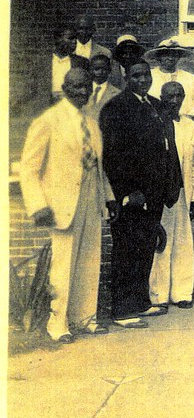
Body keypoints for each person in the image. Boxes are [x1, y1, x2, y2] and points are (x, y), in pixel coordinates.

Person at [21, 68, 113, 342]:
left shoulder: (91, 121)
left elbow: (99, 165)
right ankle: (57, 324)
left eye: (86, 87)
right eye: (76, 87)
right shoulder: (48, 120)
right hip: (61, 203)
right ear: (64, 87)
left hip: (90, 197)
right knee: (62, 265)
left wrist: (108, 197)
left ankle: (84, 318)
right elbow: (29, 167)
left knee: (89, 260)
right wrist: (38, 204)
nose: (82, 92)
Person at [99, 58, 181, 328]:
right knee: (127, 250)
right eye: (136, 76)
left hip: (154, 193)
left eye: (145, 75)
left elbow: (167, 149)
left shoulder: (156, 106)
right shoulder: (116, 108)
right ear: (126, 78)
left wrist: (170, 186)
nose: (142, 80)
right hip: (133, 195)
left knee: (146, 247)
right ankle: (122, 311)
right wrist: (129, 191)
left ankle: (140, 302)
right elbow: (113, 155)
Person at [149, 82, 194, 310]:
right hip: (158, 195)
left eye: (179, 95)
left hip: (182, 192)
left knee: (182, 242)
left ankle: (182, 293)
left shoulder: (190, 126)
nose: (174, 100)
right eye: (169, 96)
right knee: (160, 243)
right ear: (161, 97)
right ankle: (158, 295)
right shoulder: (154, 124)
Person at [146, 39, 194, 118]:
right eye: (166, 54)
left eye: (174, 55)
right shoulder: (148, 77)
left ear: (179, 57)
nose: (170, 58)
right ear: (159, 57)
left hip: (184, 125)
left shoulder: (192, 79)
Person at [73, 16, 120, 87]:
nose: (84, 32)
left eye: (88, 29)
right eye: (81, 28)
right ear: (75, 30)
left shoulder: (105, 52)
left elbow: (114, 79)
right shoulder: (68, 51)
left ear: (93, 30)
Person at [51, 26, 86, 102]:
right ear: (58, 39)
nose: (75, 41)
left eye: (75, 39)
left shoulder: (82, 62)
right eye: (70, 38)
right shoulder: (46, 61)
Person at [86, 53, 121, 119]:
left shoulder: (117, 94)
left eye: (104, 69)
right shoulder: (83, 90)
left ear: (109, 70)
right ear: (90, 70)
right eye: (96, 69)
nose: (100, 72)